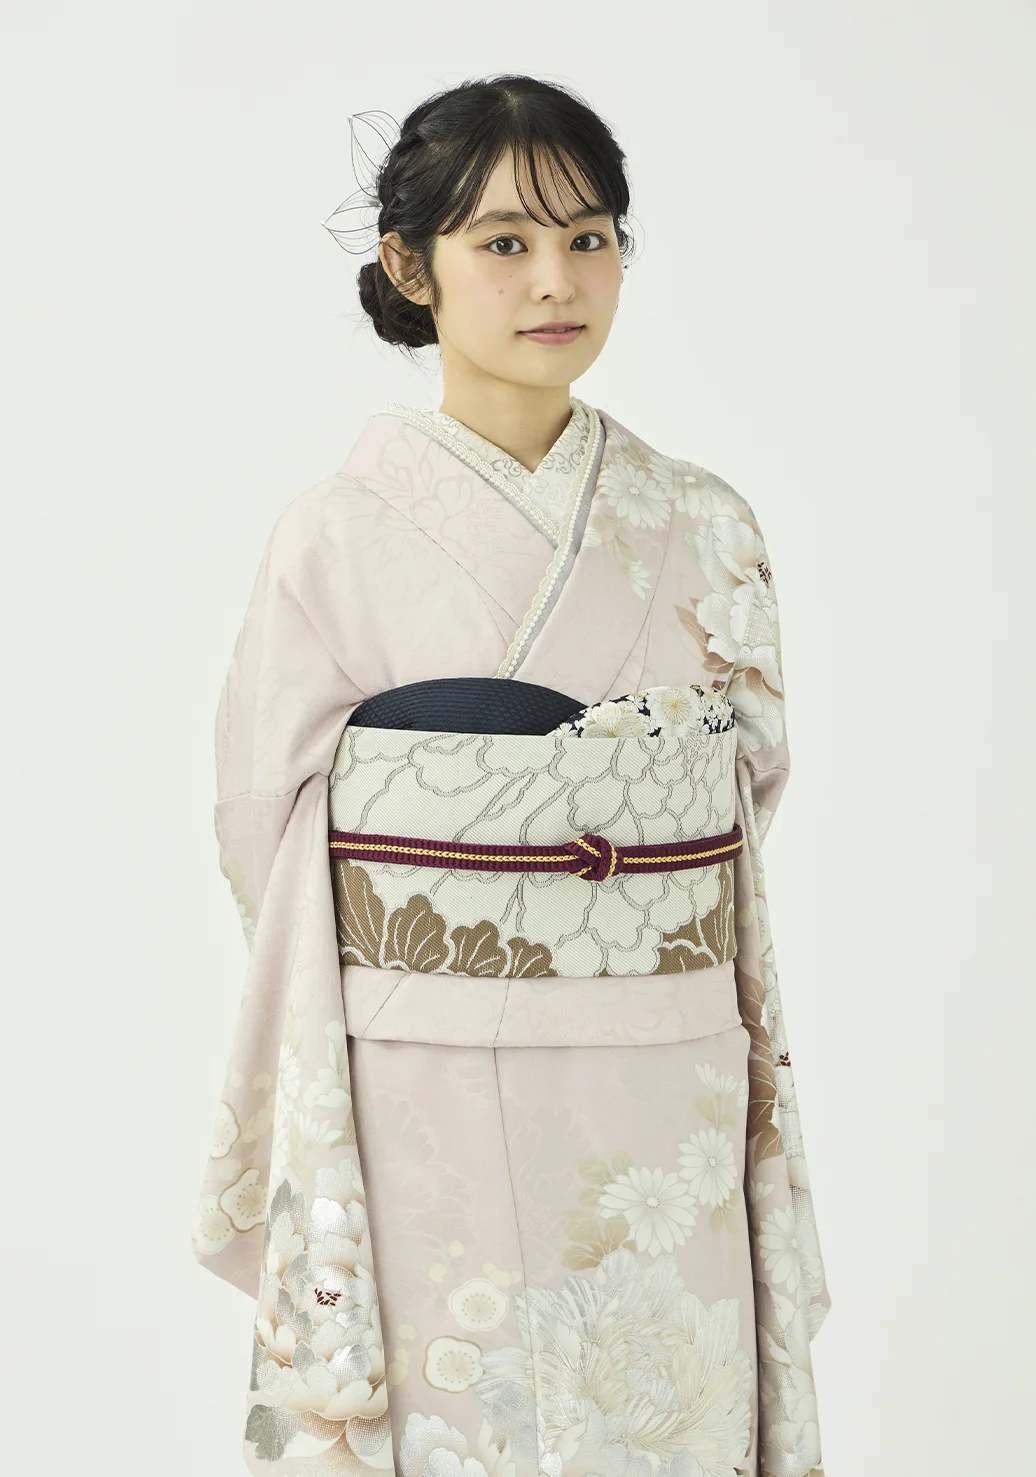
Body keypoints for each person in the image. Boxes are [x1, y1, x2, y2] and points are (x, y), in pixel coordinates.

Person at [194, 73, 830, 1477]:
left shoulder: (703, 523)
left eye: (591, 238)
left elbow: (744, 793)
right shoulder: (336, 535)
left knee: (666, 1409)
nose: (558, 280)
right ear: (409, 267)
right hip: (422, 1067)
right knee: (459, 1419)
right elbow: (264, 823)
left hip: (662, 1068)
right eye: (505, 243)